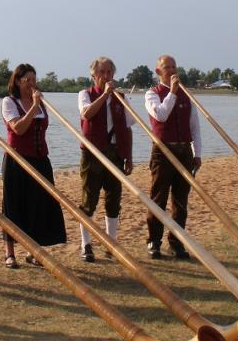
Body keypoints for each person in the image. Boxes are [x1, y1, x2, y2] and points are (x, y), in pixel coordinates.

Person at [0, 63, 66, 268]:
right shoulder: (9, 102)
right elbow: (18, 128)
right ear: (18, 82)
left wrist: (37, 105)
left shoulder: (40, 103)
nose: (31, 84)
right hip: (17, 160)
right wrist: (34, 107)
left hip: (40, 158)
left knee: (40, 204)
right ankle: (9, 253)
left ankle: (34, 251)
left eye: (34, 79)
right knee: (13, 204)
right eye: (27, 80)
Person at [143, 55, 202, 260]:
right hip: (163, 151)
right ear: (158, 71)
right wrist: (173, 92)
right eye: (166, 67)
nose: (171, 70)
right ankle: (154, 241)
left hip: (184, 150)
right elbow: (161, 115)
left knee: (181, 199)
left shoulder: (187, 95)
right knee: (158, 198)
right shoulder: (152, 94)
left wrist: (198, 153)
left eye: (174, 66)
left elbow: (194, 127)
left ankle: (176, 243)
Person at [77, 56, 134, 262]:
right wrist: (105, 95)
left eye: (109, 72)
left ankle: (111, 243)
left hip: (115, 153)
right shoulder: (86, 94)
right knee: (89, 200)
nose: (106, 76)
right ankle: (86, 244)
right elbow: (87, 114)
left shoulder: (121, 97)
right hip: (92, 154)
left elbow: (128, 128)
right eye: (102, 72)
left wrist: (128, 156)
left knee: (113, 199)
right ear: (93, 75)